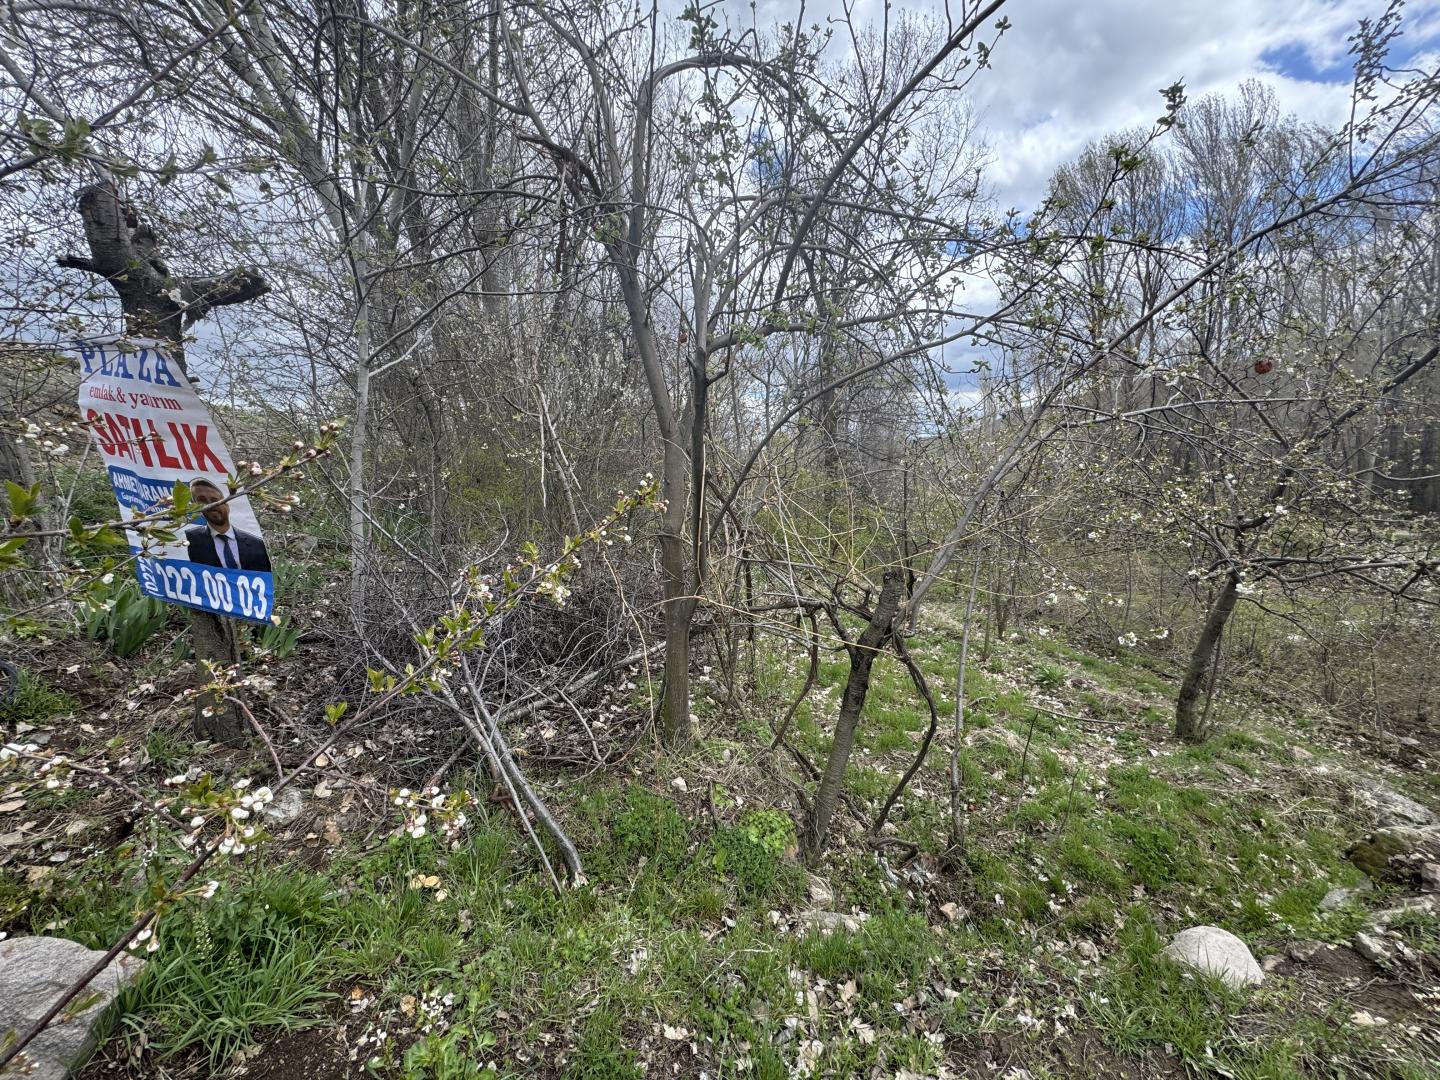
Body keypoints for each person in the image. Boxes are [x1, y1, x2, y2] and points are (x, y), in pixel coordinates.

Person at [184, 477, 271, 573]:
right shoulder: (189, 539)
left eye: (214, 500)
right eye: (202, 500)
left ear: (227, 506)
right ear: (195, 507)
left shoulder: (257, 544)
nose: (210, 505)